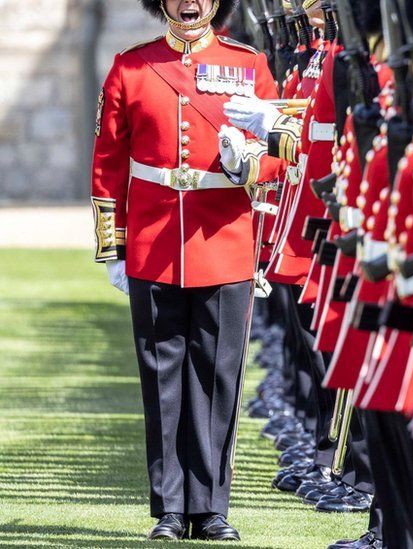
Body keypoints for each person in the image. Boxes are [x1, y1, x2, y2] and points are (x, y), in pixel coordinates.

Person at [90, 0, 281, 540]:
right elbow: (108, 160)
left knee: (219, 378)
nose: (190, 3)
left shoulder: (248, 64)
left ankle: (212, 507)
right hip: (154, 243)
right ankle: (170, 508)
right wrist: (114, 247)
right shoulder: (132, 66)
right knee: (161, 377)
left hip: (223, 241)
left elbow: (282, 144)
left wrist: (252, 160)